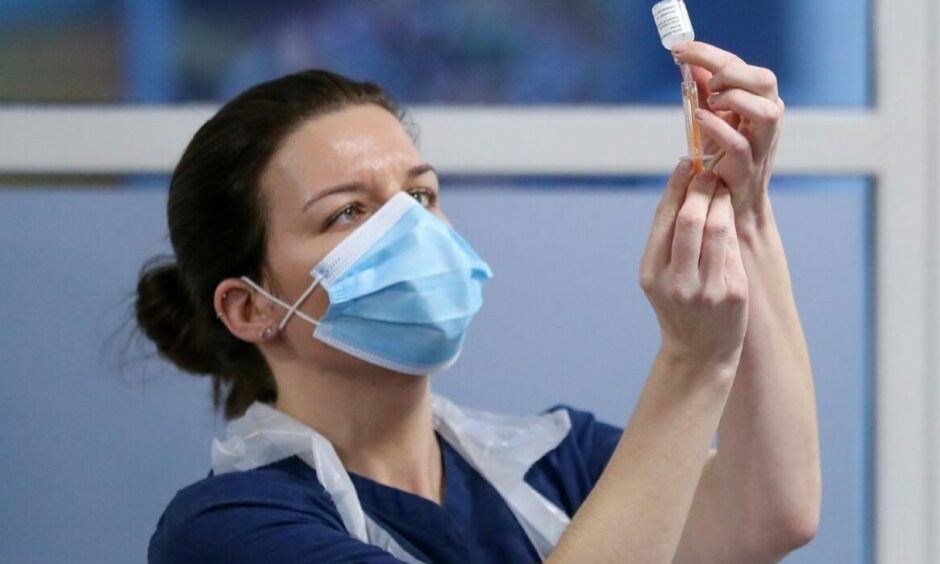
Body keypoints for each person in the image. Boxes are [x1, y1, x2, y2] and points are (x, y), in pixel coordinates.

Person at [139, 41, 820, 563]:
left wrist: (748, 206)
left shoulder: (554, 465)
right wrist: (692, 364)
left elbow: (769, 510)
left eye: (419, 196)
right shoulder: (229, 532)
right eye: (348, 213)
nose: (408, 231)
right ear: (249, 308)